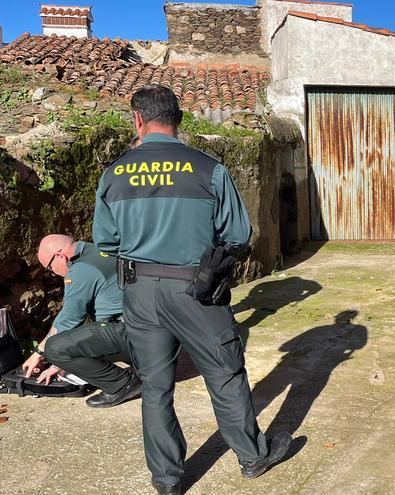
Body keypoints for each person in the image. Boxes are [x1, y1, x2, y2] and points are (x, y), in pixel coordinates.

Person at [93, 84, 290, 495]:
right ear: (178, 120)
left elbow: (106, 241)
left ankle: (166, 481)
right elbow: (238, 235)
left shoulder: (114, 174)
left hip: (139, 292)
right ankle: (253, 457)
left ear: (137, 119)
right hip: (196, 289)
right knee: (224, 373)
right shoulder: (208, 169)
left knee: (155, 386)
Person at [21, 234, 140, 408]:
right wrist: (60, 366)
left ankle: (122, 383)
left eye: (50, 268)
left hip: (134, 336)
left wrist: (38, 353)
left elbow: (69, 320)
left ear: (60, 256)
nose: (53, 272)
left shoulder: (81, 270)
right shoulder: (100, 249)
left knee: (55, 347)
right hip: (154, 331)